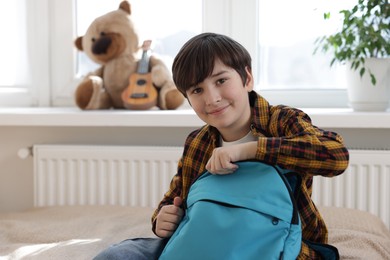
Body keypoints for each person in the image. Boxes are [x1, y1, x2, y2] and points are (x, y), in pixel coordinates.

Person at [94, 32, 349, 259]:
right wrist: (162, 219)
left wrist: (249, 150)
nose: (212, 99)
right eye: (197, 90)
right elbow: (175, 199)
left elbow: (335, 155)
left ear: (247, 78)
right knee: (117, 255)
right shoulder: (198, 141)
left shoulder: (281, 121)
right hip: (204, 240)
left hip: (275, 243)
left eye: (221, 81)